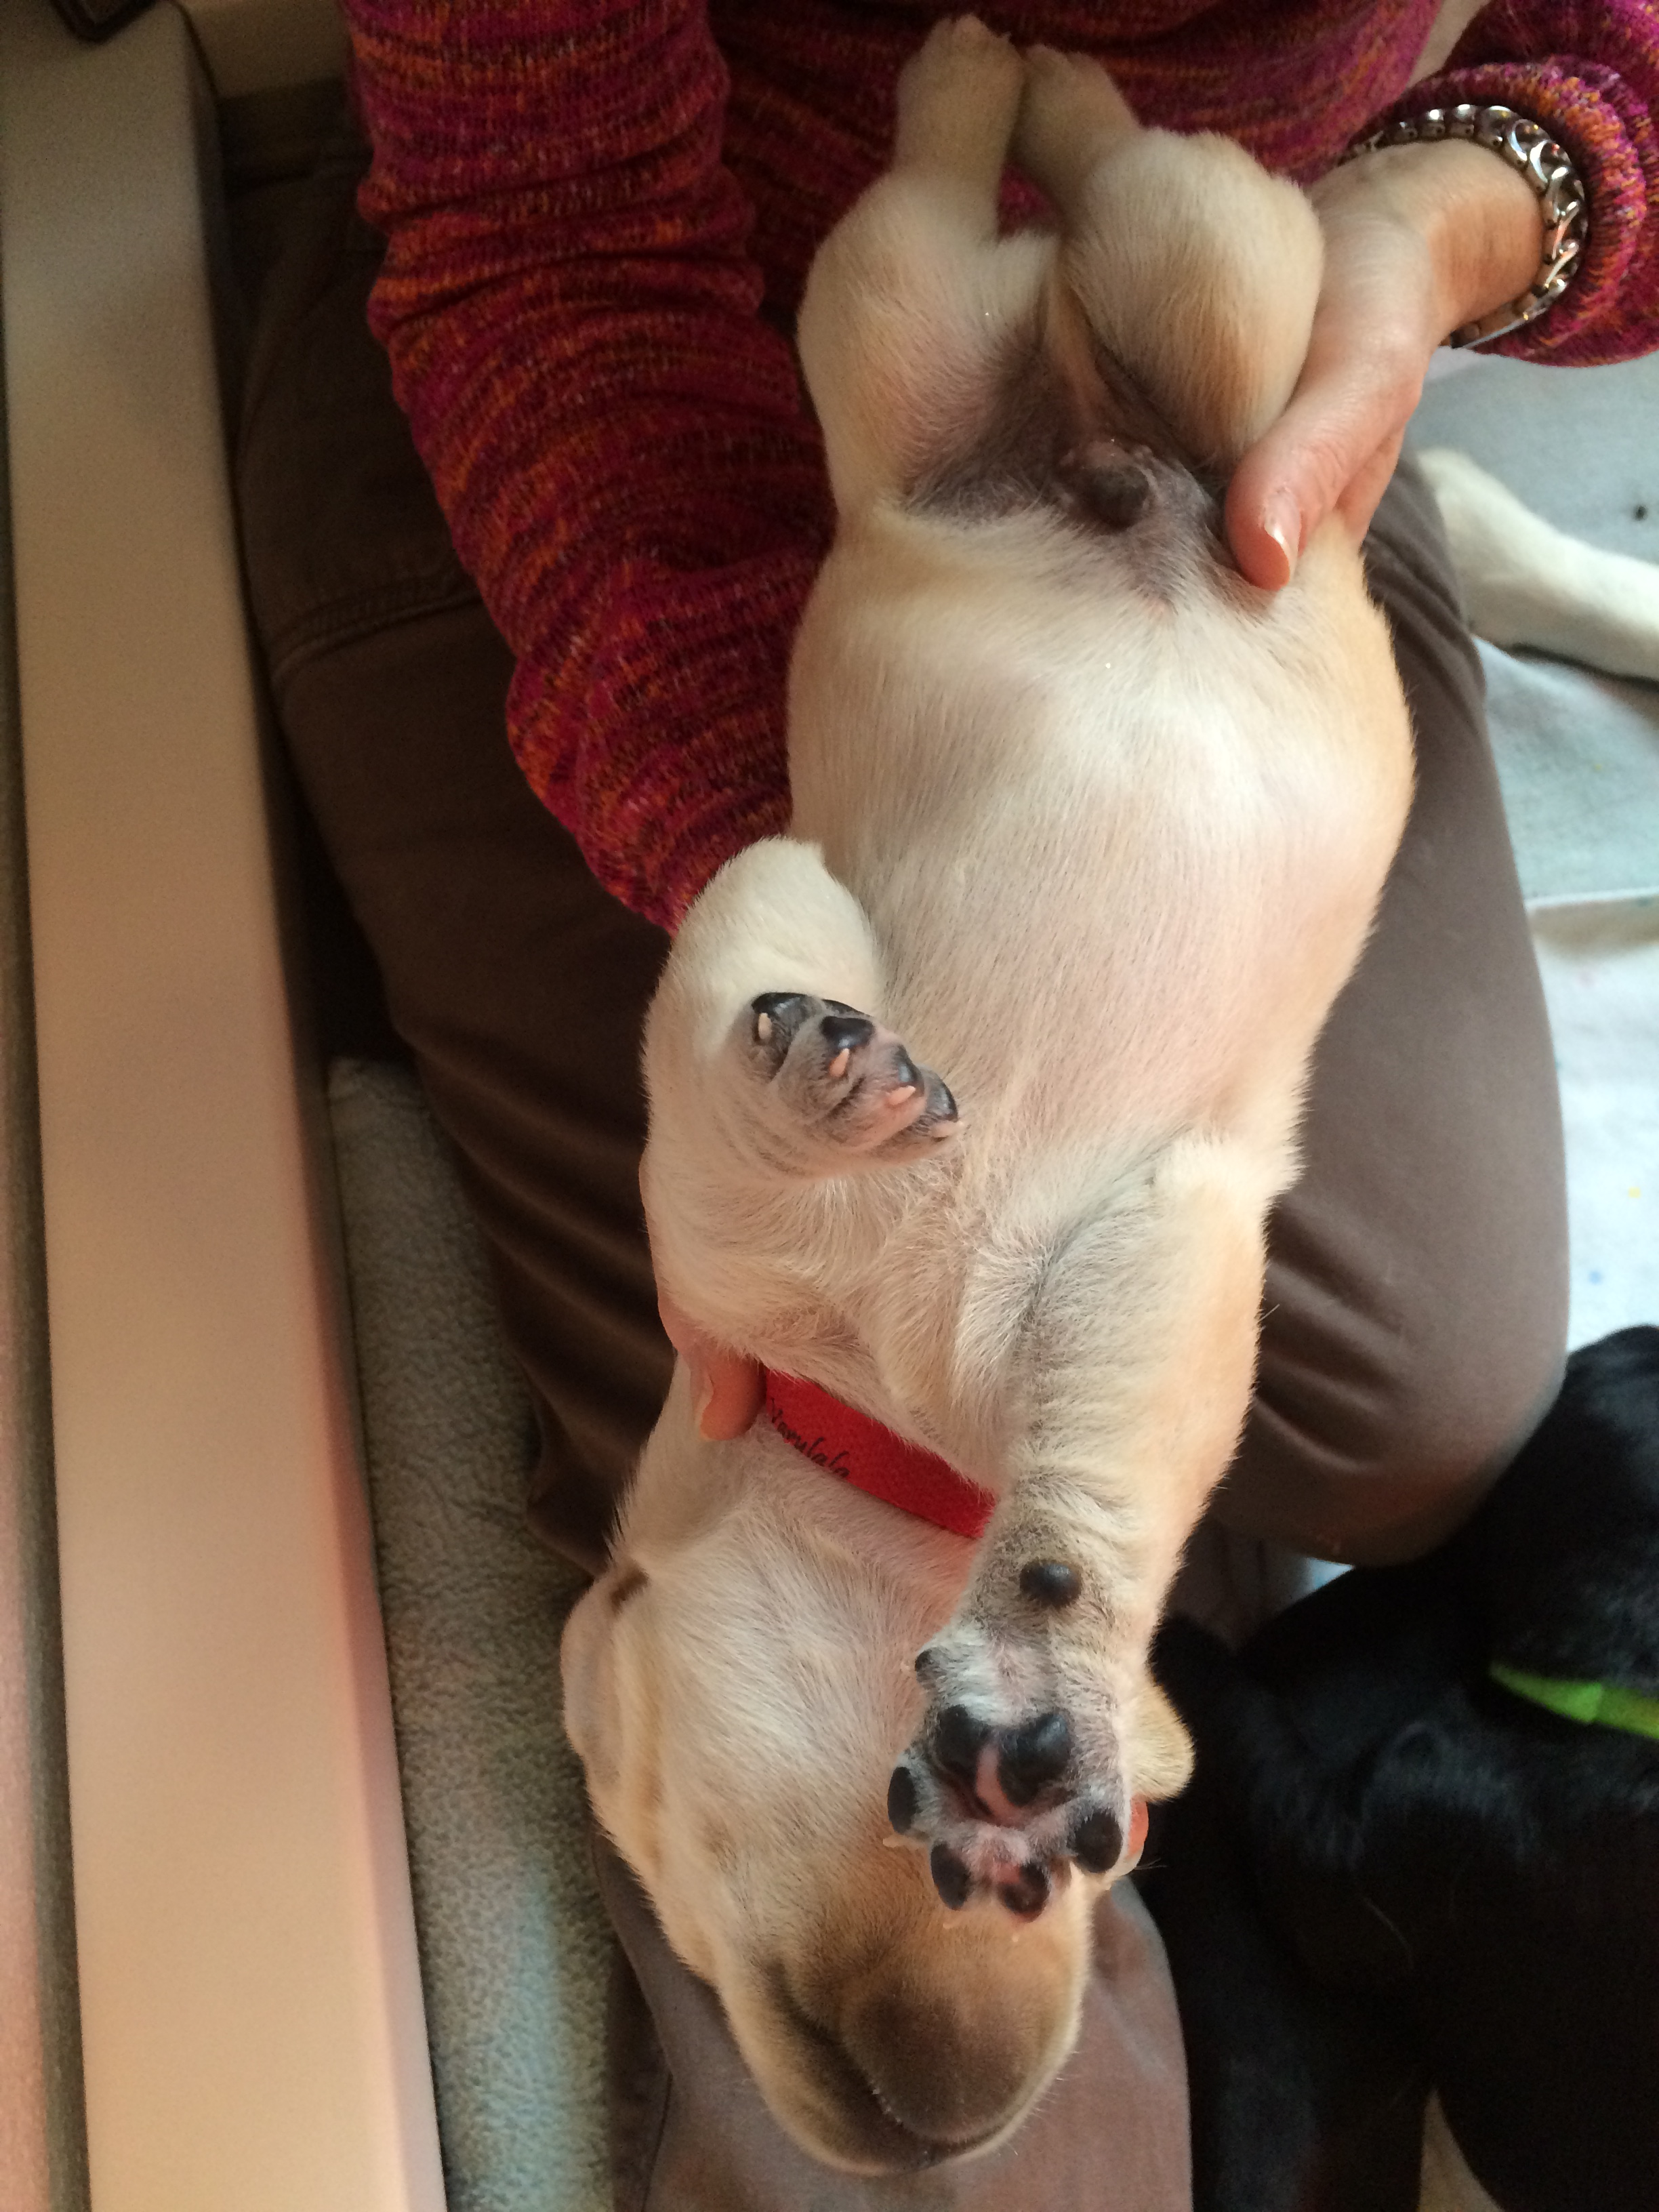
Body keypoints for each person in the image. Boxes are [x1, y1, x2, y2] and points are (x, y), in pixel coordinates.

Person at [234, 3, 1659, 2203]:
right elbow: (546, 225)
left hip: (1242, 415)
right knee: (790, 1600)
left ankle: (1059, 1759)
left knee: (1422, 1419)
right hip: (611, 410)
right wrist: (887, 837)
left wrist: (1472, 206)